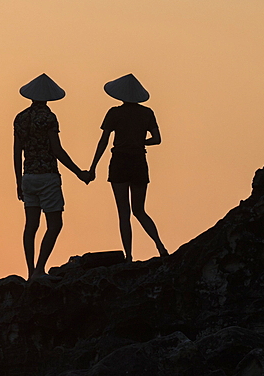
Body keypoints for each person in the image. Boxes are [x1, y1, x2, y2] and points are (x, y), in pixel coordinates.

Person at [14, 73, 92, 279]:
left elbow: (16, 151)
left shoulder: (20, 118)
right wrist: (79, 173)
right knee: (55, 224)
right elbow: (57, 150)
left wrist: (18, 181)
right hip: (47, 175)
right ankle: (40, 269)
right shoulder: (49, 118)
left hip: (28, 176)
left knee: (31, 226)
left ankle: (31, 271)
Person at [88, 73, 169, 261]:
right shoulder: (147, 113)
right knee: (139, 210)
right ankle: (160, 245)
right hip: (139, 160)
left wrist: (93, 168)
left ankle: (129, 256)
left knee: (123, 213)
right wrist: (141, 141)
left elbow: (103, 142)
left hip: (119, 161)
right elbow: (157, 139)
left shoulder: (114, 113)